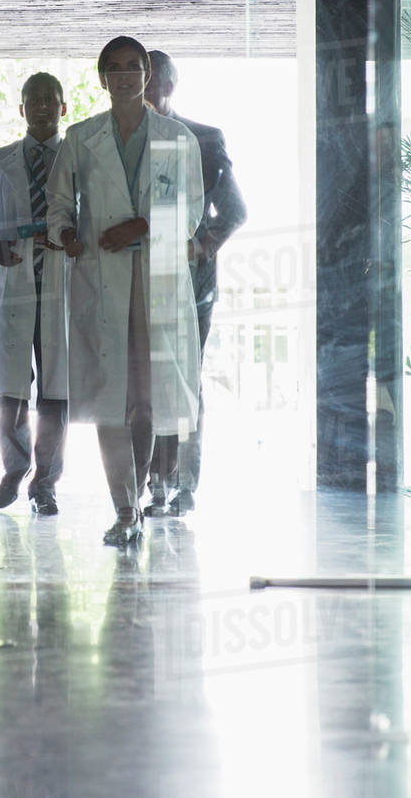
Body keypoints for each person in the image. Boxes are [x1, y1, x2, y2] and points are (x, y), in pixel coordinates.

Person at [46, 38, 203, 547]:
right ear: (102, 79)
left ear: (148, 72)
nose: (125, 76)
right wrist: (65, 233)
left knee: (149, 399)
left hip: (157, 282)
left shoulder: (176, 138)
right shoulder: (81, 136)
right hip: (102, 277)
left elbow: (191, 210)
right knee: (112, 398)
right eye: (113, 69)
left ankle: (148, 492)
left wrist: (140, 226)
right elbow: (57, 202)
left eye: (133, 67)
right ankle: (123, 509)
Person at [145, 49, 247, 515]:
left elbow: (234, 212)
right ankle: (154, 481)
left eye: (152, 82)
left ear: (169, 86)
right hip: (136, 276)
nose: (143, 90)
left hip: (191, 282)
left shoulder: (204, 139)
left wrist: (198, 246)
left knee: (183, 378)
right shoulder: (118, 141)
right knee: (144, 381)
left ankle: (183, 483)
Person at [0, 73, 69, 516]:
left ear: (64, 108)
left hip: (63, 282)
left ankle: (45, 482)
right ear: (21, 109)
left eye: (51, 100)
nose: (43, 106)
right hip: (12, 281)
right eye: (34, 100)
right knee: (11, 390)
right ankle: (15, 466)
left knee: (55, 392)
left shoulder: (79, 160)